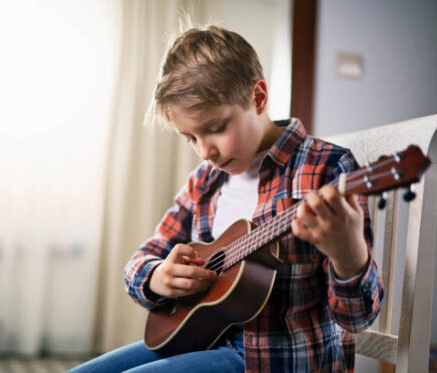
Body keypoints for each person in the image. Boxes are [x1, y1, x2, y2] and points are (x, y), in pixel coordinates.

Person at [68, 25, 383, 373]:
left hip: (274, 358)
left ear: (258, 97)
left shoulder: (324, 168)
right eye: (190, 137)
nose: (206, 151)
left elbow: (357, 319)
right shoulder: (205, 182)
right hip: (199, 341)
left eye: (216, 128)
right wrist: (157, 275)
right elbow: (143, 257)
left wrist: (349, 255)